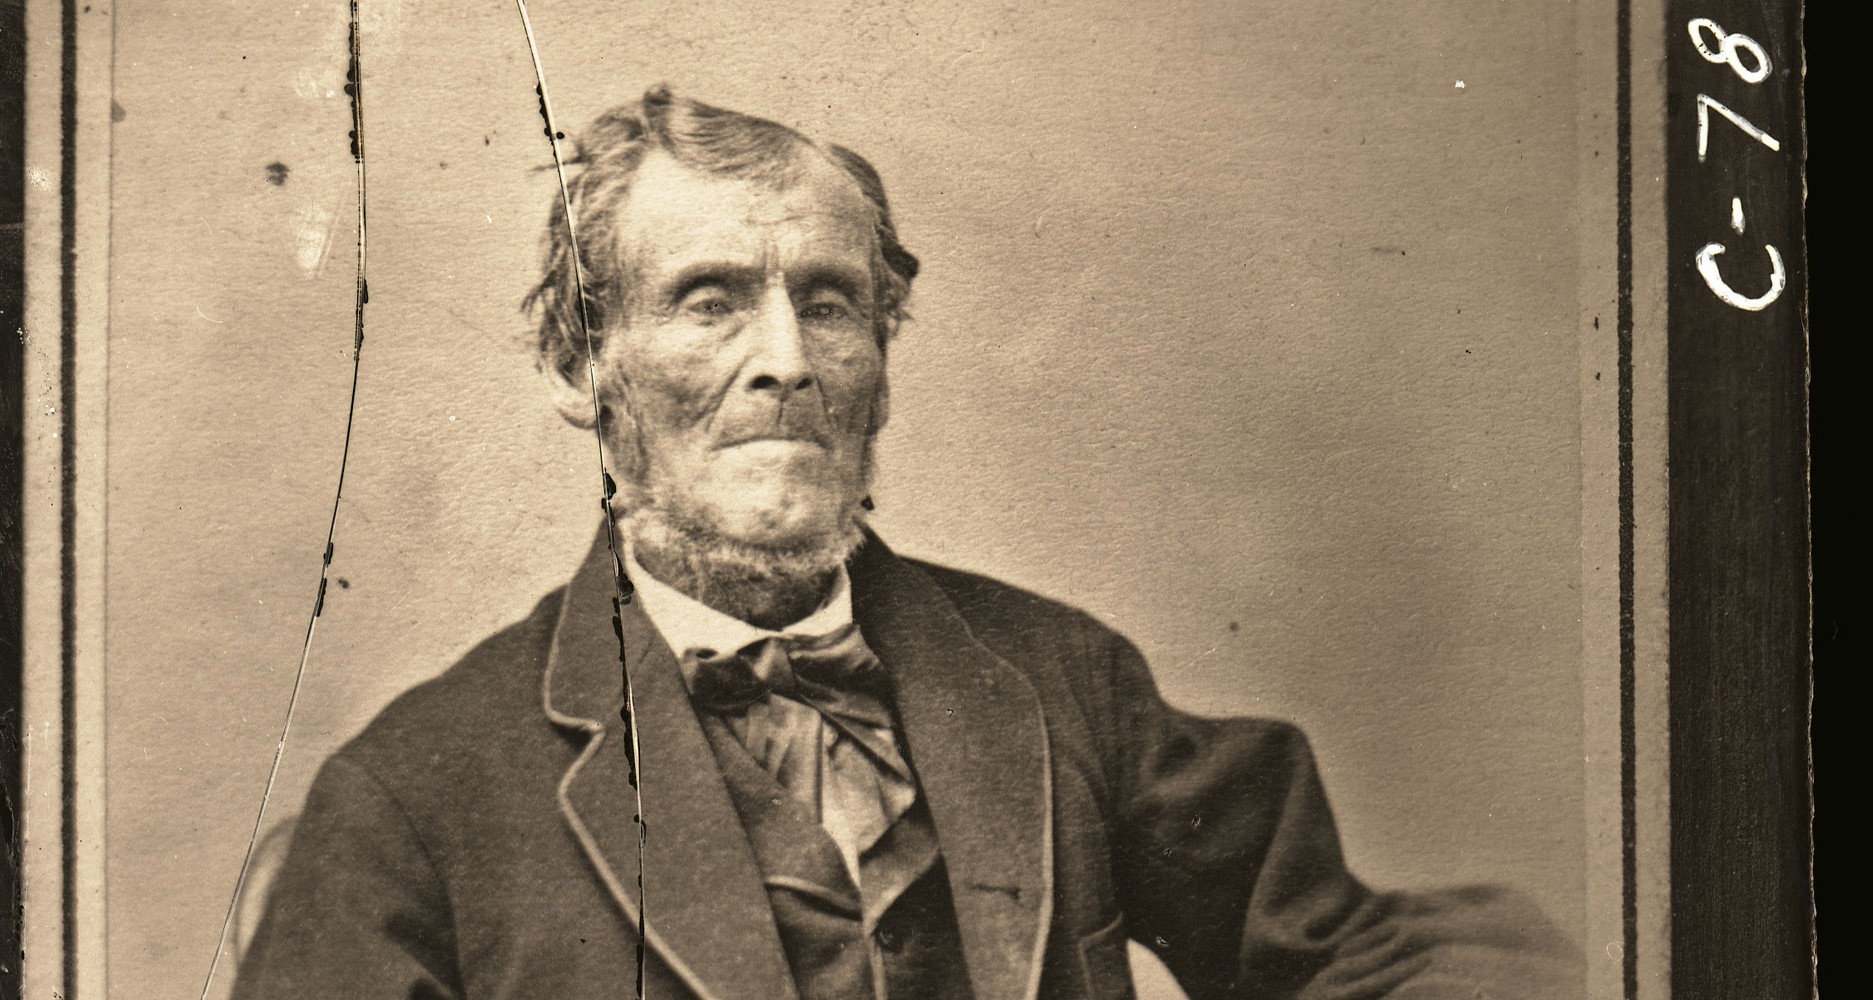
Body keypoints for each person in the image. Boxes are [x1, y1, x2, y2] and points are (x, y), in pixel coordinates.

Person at [232, 86, 1578, 1000]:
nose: (786, 360)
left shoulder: (1066, 681)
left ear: (880, 360)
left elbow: (1373, 961)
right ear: (583, 366)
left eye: (829, 305)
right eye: (709, 302)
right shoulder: (411, 799)